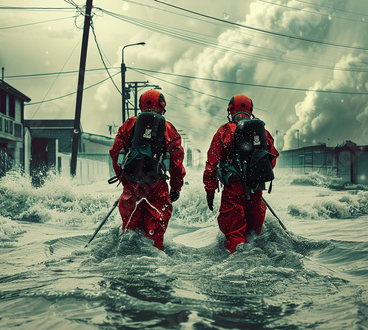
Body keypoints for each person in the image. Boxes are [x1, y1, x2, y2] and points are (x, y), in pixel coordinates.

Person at [109, 89, 185, 250]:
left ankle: (126, 265)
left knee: (129, 233)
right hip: (156, 186)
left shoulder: (130, 124)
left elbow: (115, 152)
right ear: (162, 106)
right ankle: (153, 266)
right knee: (154, 236)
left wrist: (125, 180)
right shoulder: (169, 129)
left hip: (132, 185)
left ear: (141, 105)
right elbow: (177, 163)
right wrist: (176, 188)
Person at [203, 94, 279, 253]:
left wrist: (210, 191)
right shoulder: (262, 133)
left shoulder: (224, 131)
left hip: (233, 191)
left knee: (236, 236)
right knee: (253, 235)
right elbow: (271, 160)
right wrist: (252, 174)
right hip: (256, 190)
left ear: (230, 110)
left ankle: (238, 268)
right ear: (251, 110)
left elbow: (212, 164)